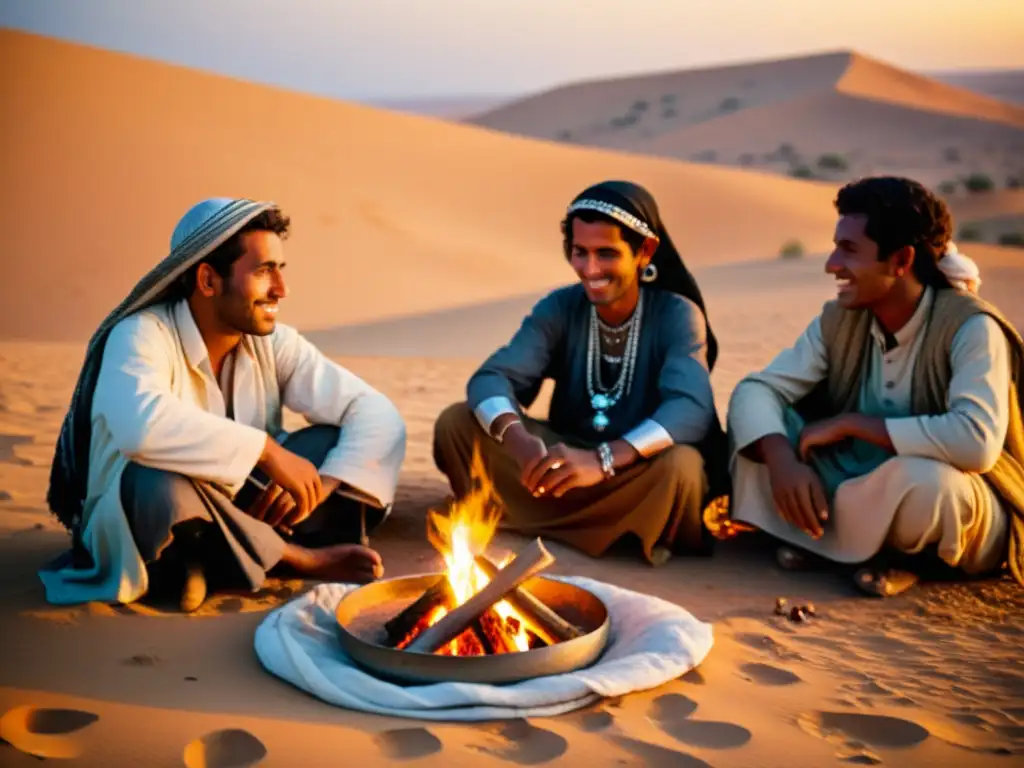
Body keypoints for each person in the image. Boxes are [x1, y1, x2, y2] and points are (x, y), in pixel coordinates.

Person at [40, 198, 406, 611]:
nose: (281, 290)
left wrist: (321, 486)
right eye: (264, 271)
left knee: (331, 442)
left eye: (280, 271)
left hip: (240, 505)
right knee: (154, 483)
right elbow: (139, 426)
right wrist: (267, 452)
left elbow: (377, 413)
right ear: (208, 280)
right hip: (162, 507)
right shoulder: (142, 333)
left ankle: (208, 561)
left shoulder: (274, 343)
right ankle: (293, 557)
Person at [726, 176, 1024, 596]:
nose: (832, 264)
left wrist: (854, 424)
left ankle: (884, 554)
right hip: (852, 479)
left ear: (901, 260)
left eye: (848, 250)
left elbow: (976, 442)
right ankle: (838, 541)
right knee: (757, 438)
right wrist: (782, 462)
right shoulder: (840, 319)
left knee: (927, 488)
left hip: (958, 495)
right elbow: (757, 390)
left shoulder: (971, 327)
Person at [433, 180, 729, 565]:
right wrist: (519, 441)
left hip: (633, 469)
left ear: (645, 251)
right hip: (561, 464)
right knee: (456, 422)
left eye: (606, 254)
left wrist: (604, 460)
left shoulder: (677, 314)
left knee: (682, 468)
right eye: (580, 252)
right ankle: (585, 523)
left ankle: (544, 520)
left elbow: (691, 409)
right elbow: (493, 377)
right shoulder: (560, 307)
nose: (590, 269)